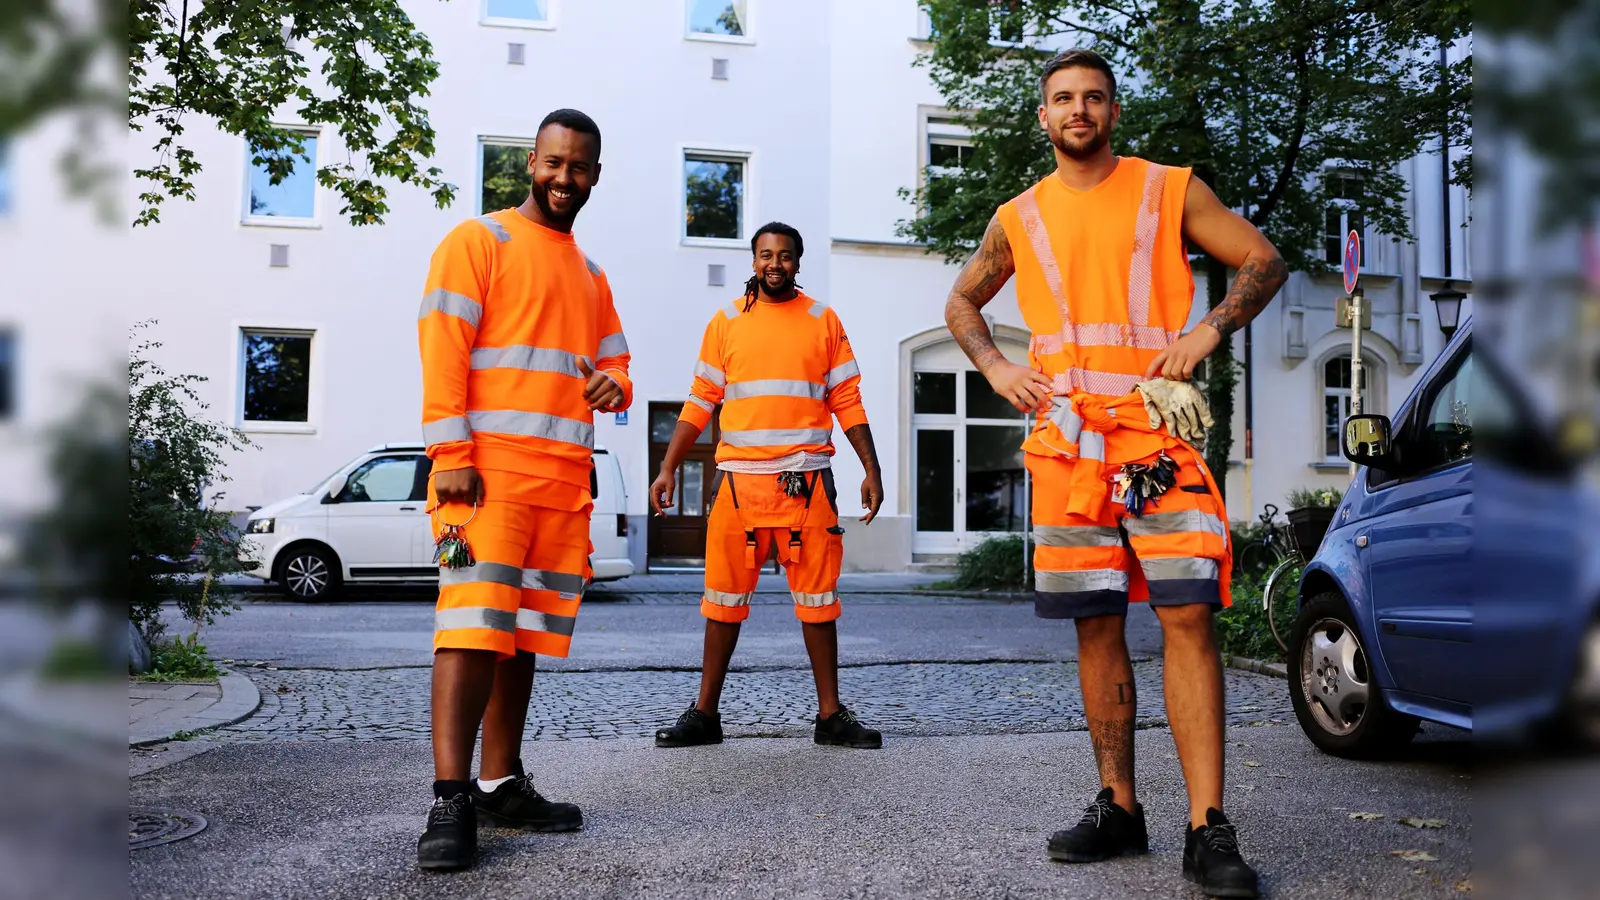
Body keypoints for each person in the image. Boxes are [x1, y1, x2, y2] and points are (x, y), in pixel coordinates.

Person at [942, 49, 1287, 899]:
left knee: (1187, 617)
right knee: (1094, 626)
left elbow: (1263, 261)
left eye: (1093, 97)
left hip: (1157, 441)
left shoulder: (1168, 187)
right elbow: (961, 301)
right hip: (1068, 449)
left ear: (1114, 111)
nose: (1079, 110)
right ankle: (1119, 807)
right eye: (1063, 98)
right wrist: (994, 368)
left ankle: (1208, 828)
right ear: (1043, 116)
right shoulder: (1017, 215)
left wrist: (1205, 336)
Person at [415, 108, 632, 872]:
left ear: (595, 176)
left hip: (559, 484)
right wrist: (449, 452)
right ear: (530, 163)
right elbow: (443, 347)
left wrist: (616, 386)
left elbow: (616, 368)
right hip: (487, 479)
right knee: (472, 627)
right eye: (552, 163)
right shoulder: (480, 241)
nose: (563, 178)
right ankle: (449, 798)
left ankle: (500, 780)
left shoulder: (592, 275)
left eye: (578, 168)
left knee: (521, 636)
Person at [649, 221, 887, 751]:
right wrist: (668, 466)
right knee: (722, 603)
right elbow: (700, 400)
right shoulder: (726, 322)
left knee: (819, 603)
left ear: (798, 263)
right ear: (753, 261)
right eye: (764, 255)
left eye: (784, 255)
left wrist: (871, 468)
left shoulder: (823, 321)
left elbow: (847, 399)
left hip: (807, 484)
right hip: (739, 485)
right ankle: (705, 715)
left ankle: (830, 717)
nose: (774, 264)